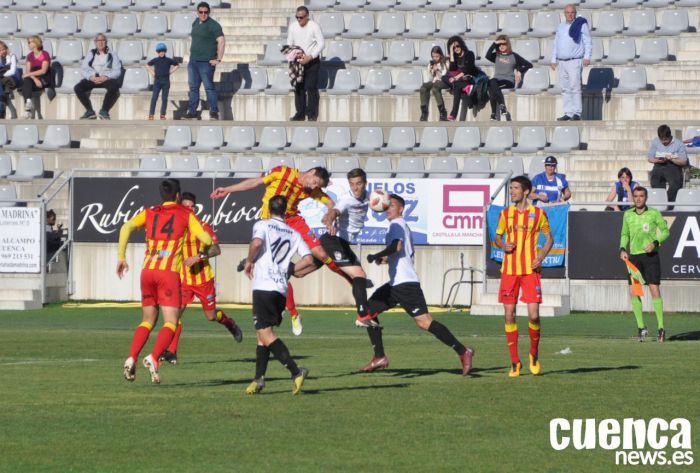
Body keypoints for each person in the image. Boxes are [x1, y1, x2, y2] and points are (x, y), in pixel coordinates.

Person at [211, 166, 353, 336]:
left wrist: (331, 217)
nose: (314, 187)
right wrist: (228, 190)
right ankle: (294, 314)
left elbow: (330, 203)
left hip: (292, 220)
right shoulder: (282, 172)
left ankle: (351, 280)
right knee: (279, 269)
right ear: (311, 172)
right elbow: (255, 182)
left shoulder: (310, 190)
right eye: (315, 182)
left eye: (318, 186)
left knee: (321, 254)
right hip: (270, 222)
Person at [361, 194, 475, 375]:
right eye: (387, 205)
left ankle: (463, 351)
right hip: (395, 284)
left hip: (406, 285)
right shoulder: (397, 226)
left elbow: (396, 247)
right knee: (367, 312)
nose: (387, 208)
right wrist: (385, 259)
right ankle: (379, 357)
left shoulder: (397, 223)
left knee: (424, 322)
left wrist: (376, 255)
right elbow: (400, 254)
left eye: (392, 205)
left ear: (401, 209)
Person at [117, 179, 212, 384]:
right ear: (178, 196)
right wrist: (201, 253)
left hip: (147, 271)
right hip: (168, 273)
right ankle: (153, 357)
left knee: (147, 320)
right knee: (171, 321)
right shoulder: (186, 214)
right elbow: (207, 240)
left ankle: (131, 357)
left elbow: (126, 227)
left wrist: (121, 257)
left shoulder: (150, 212)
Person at [159, 192, 242, 365]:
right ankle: (171, 352)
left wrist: (198, 257)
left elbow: (216, 249)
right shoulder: (177, 228)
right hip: (183, 280)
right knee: (175, 315)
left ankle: (230, 323)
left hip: (203, 280)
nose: (190, 209)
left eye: (192, 207)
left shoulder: (203, 226)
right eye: (186, 206)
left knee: (211, 316)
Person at [244, 195, 315, 395]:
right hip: (280, 290)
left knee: (265, 333)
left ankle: (296, 371)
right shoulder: (293, 232)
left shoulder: (263, 225)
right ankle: (258, 379)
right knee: (261, 335)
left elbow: (257, 244)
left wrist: (249, 261)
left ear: (268, 208)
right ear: (285, 212)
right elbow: (309, 259)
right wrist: (289, 269)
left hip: (264, 287)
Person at [493, 176, 553, 377]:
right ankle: (514, 361)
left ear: (526, 191)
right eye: (511, 189)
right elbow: (498, 237)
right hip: (509, 271)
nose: (512, 192)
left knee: (534, 315)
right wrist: (503, 245)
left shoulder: (538, 213)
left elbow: (549, 237)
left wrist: (542, 255)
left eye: (516, 188)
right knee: (509, 314)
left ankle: (533, 354)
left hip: (530, 270)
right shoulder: (505, 214)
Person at [320, 168, 378, 328]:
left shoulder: (370, 197)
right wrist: (329, 220)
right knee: (359, 275)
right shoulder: (346, 199)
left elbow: (383, 201)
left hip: (343, 244)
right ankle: (362, 315)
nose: (355, 187)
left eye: (358, 183)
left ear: (365, 183)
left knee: (303, 269)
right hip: (334, 240)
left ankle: (287, 270)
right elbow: (334, 211)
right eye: (352, 184)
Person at [619, 187, 670, 342]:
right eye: (636, 196)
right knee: (634, 292)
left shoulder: (654, 213)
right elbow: (624, 234)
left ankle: (661, 328)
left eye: (641, 196)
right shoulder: (627, 214)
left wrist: (655, 242)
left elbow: (666, 231)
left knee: (654, 290)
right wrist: (622, 248)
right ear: (633, 198)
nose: (639, 199)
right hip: (634, 257)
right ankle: (641, 327)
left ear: (646, 197)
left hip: (651, 256)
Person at [550, 4, 591, 121]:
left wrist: (587, 56)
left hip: (574, 61)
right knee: (565, 88)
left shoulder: (581, 25)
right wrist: (554, 59)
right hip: (562, 62)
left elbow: (587, 41)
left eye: (572, 12)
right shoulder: (561, 26)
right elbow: (556, 44)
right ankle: (568, 112)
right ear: (564, 13)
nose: (570, 14)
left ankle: (577, 112)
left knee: (575, 87)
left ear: (575, 13)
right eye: (568, 12)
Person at [186, 1, 224, 120]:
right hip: (193, 62)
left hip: (206, 62)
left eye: (206, 12)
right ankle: (192, 112)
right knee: (193, 88)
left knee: (209, 87)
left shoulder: (214, 25)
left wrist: (218, 59)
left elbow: (221, 41)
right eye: (201, 12)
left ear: (209, 12)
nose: (203, 14)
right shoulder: (195, 22)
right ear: (197, 12)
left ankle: (214, 111)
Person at [286, 5, 324, 122]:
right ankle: (300, 114)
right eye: (297, 17)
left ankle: (311, 114)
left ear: (307, 16)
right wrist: (294, 54)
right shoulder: (293, 27)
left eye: (301, 17)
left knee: (311, 87)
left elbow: (321, 43)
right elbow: (289, 42)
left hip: (312, 61)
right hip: (297, 61)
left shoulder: (314, 26)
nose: (299, 20)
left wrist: (310, 56)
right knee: (298, 87)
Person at [75, 33, 123, 120]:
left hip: (106, 79)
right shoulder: (91, 53)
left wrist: (105, 77)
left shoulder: (112, 54)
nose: (100, 43)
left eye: (102, 40)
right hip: (93, 78)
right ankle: (89, 111)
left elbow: (117, 71)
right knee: (78, 87)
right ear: (95, 42)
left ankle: (104, 111)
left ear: (106, 42)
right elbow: (83, 69)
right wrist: (90, 77)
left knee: (114, 86)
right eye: (98, 41)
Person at [484, 35, 532, 121]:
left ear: (508, 44)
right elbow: (487, 55)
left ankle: (494, 113)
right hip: (496, 81)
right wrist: (495, 43)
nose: (501, 46)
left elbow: (529, 65)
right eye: (499, 45)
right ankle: (501, 108)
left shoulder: (514, 56)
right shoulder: (496, 55)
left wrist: (519, 70)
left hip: (508, 81)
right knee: (491, 83)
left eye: (504, 44)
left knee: (491, 86)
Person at [647, 124, 689, 204]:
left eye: (665, 139)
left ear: (670, 136)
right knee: (655, 181)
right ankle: (660, 201)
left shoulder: (679, 144)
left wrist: (672, 159)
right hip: (659, 164)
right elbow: (650, 158)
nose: (663, 142)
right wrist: (658, 160)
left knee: (675, 184)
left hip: (673, 165)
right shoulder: (655, 142)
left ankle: (668, 202)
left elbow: (683, 161)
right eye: (661, 140)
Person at [444, 36, 481, 122]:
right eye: (453, 48)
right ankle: (465, 88)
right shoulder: (455, 57)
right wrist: (451, 54)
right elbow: (452, 69)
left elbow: (467, 70)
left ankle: (453, 115)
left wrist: (455, 78)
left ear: (461, 45)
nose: (456, 49)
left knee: (456, 85)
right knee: (445, 78)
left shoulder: (470, 54)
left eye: (457, 46)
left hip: (470, 78)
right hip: (459, 81)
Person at [145, 43, 179, 120]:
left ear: (165, 51)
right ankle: (151, 114)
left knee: (164, 98)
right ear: (157, 52)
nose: (161, 52)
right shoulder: (155, 60)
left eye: (163, 51)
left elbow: (177, 65)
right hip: (157, 81)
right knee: (154, 97)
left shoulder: (168, 60)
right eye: (159, 51)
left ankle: (162, 114)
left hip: (166, 81)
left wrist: (170, 72)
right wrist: (152, 72)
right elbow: (147, 65)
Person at [21, 36, 50, 119]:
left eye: (30, 42)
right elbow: (28, 71)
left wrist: (31, 75)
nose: (28, 44)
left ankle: (28, 111)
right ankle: (28, 103)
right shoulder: (30, 56)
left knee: (26, 79)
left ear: (36, 43)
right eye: (28, 42)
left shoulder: (45, 54)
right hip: (34, 80)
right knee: (26, 80)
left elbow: (43, 70)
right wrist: (34, 79)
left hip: (43, 79)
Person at [418, 46, 449, 122]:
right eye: (433, 56)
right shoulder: (430, 64)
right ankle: (424, 113)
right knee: (423, 88)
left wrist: (438, 69)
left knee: (435, 88)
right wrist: (432, 71)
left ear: (440, 55)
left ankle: (442, 113)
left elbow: (444, 76)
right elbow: (430, 79)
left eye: (437, 56)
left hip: (444, 81)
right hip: (435, 81)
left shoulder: (445, 62)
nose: (435, 58)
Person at [0, 41, 20, 119]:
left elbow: (13, 71)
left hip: (13, 78)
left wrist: (2, 74)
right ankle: (5, 111)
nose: (2, 51)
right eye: (0, 50)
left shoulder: (12, 56)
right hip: (2, 79)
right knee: (2, 89)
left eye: (3, 49)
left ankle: (2, 110)